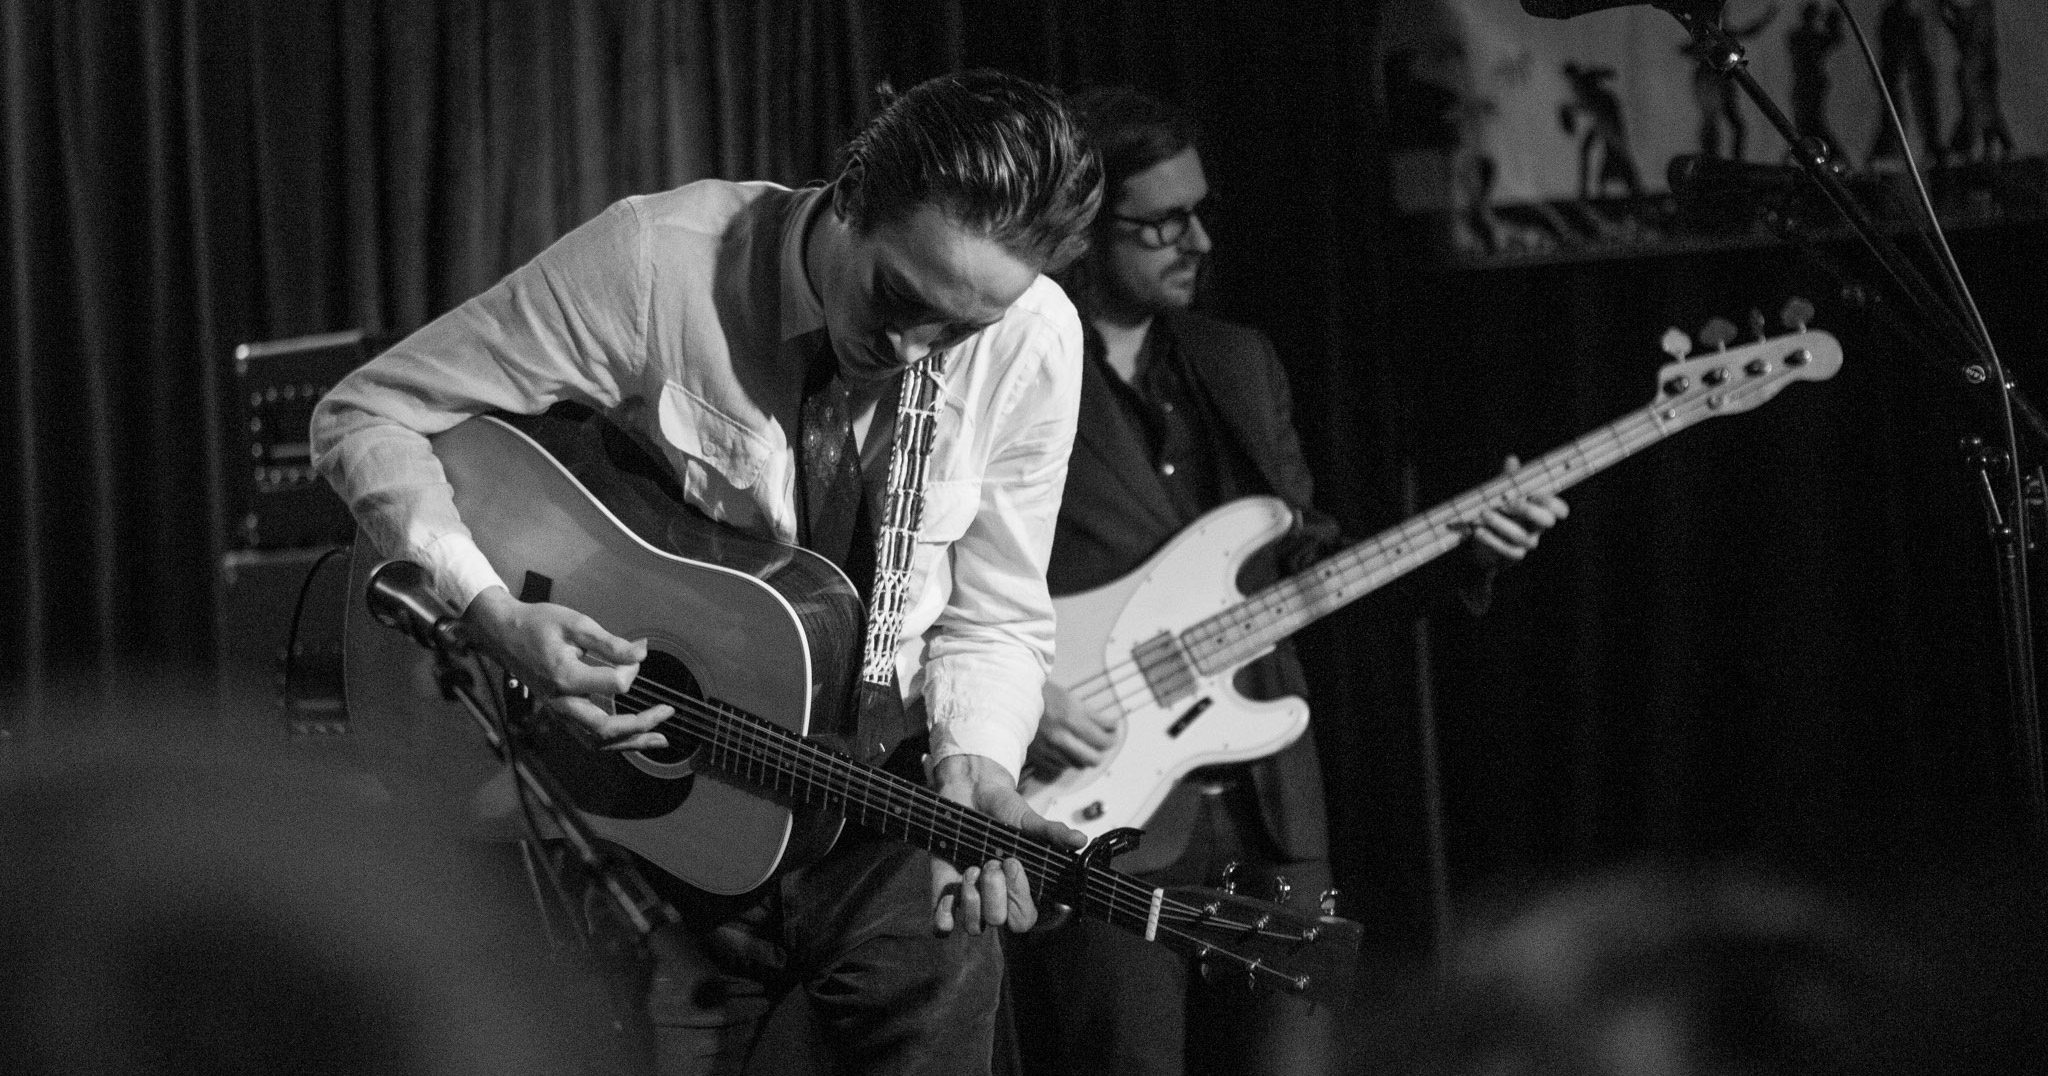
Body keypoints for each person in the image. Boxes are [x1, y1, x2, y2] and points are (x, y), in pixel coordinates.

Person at [310, 69, 1101, 1075]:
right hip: (666, 824)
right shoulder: (656, 263)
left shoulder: (1035, 337)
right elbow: (366, 413)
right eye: (898, 296)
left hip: (887, 819)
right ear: (853, 192)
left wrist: (977, 761)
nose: (913, 347)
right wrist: (488, 610)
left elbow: (997, 613)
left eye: (959, 328)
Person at [1004, 86, 1566, 1076]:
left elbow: (1305, 564)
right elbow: (951, 571)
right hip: (1098, 797)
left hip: (1269, 804)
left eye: (1201, 211)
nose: (1198, 241)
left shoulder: (1235, 361)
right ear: (1084, 230)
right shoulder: (1012, 368)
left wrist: (1464, 549)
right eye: (1162, 221)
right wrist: (1018, 697)